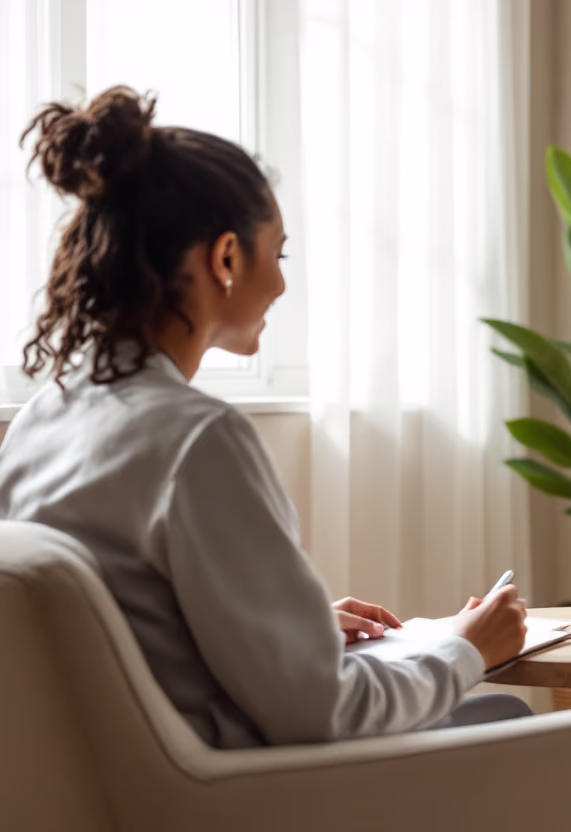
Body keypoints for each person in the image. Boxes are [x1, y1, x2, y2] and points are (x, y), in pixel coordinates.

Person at [0, 86, 530, 749]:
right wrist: (467, 651)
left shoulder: (42, 419)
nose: (280, 284)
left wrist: (288, 631)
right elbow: (324, 713)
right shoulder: (197, 439)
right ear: (225, 258)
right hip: (238, 796)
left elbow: (124, 638)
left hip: (122, 787)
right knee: (513, 718)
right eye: (276, 255)